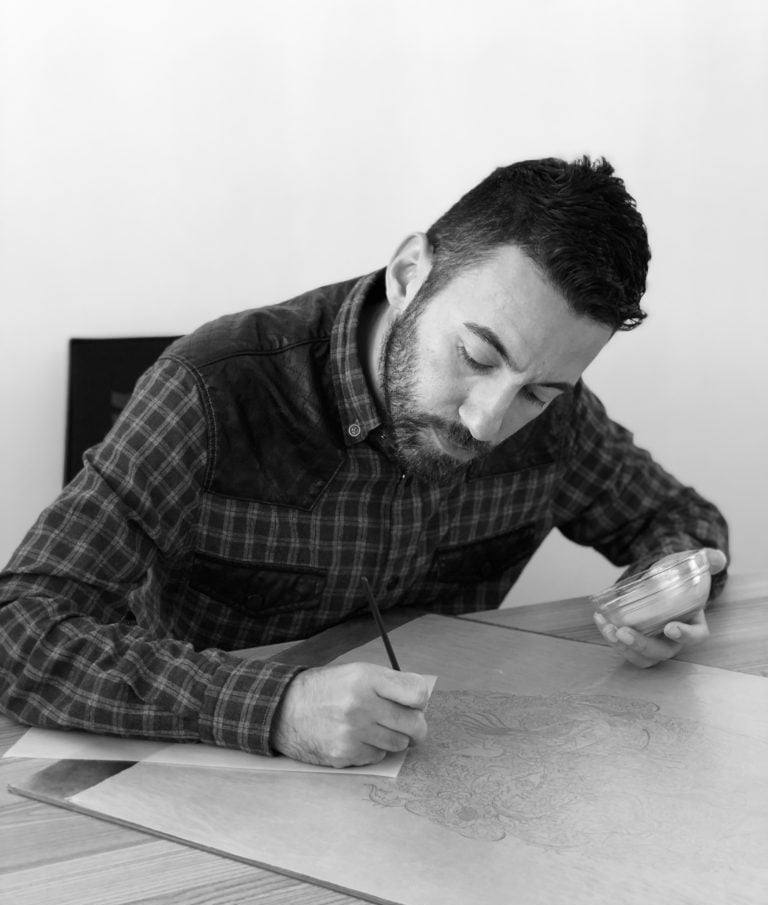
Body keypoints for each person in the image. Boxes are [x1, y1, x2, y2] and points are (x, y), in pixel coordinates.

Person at [0, 156, 728, 768]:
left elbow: (681, 520)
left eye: (537, 393)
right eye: (476, 356)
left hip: (432, 781)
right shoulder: (214, 388)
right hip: (201, 782)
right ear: (410, 273)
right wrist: (277, 707)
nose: (488, 420)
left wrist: (666, 591)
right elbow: (17, 629)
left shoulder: (557, 418)